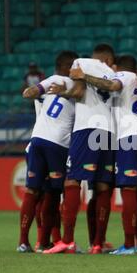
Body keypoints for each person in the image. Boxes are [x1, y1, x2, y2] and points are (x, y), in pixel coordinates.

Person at [69, 55, 137, 255]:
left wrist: (84, 76)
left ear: (119, 67)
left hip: (130, 135)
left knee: (128, 188)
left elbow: (111, 86)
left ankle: (128, 245)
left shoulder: (124, 76)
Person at [45, 44, 116, 255]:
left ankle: (67, 240)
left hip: (86, 128)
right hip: (109, 131)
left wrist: (63, 92)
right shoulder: (112, 74)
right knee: (102, 186)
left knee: (73, 180)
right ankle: (97, 243)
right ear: (109, 60)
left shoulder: (82, 64)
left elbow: (77, 91)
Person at [17, 51, 78, 253]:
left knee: (34, 192)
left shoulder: (49, 82)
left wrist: (31, 91)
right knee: (53, 193)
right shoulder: (74, 85)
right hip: (58, 144)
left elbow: (29, 93)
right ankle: (50, 240)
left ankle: (25, 242)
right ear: (66, 66)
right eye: (74, 65)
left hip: (35, 141)